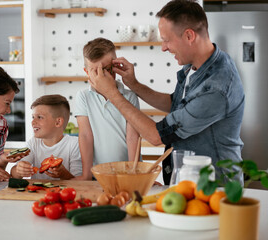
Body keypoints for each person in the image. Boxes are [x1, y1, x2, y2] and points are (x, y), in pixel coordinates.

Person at [88, 0, 245, 184]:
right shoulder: (197, 65)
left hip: (216, 188)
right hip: (189, 183)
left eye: (166, 40)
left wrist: (113, 94)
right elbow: (176, 104)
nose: (163, 47)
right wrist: (134, 84)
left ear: (189, 36)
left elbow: (156, 136)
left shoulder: (216, 88)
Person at [75, 37, 141, 180]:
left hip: (127, 172)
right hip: (97, 174)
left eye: (107, 69)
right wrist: (86, 175)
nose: (102, 76)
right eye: (95, 71)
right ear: (86, 72)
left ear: (116, 66)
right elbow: (85, 136)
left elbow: (132, 137)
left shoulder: (130, 97)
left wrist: (133, 173)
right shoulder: (83, 97)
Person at [10, 94, 82, 180]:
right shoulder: (33, 143)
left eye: (40, 117)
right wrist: (19, 170)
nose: (33, 122)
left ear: (58, 122)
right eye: (33, 117)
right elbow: (14, 173)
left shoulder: (74, 144)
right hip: (38, 192)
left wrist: (63, 174)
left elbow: (79, 181)